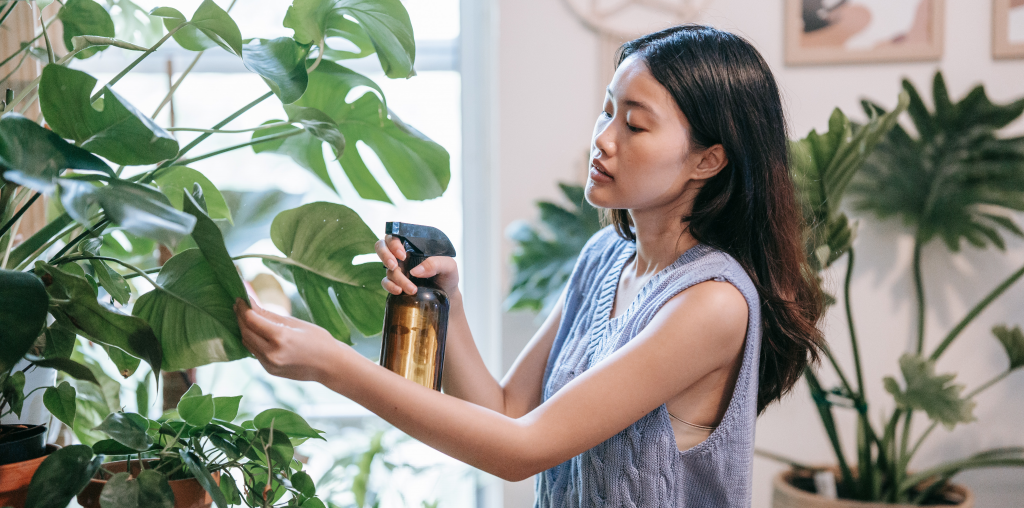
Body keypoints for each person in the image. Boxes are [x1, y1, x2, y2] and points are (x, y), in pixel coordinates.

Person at [234, 24, 825, 507]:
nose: (604, 139)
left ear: (707, 159)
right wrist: (450, 305)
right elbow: (507, 412)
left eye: (635, 124)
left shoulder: (712, 303)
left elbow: (522, 450)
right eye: (607, 111)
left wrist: (330, 364)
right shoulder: (603, 259)